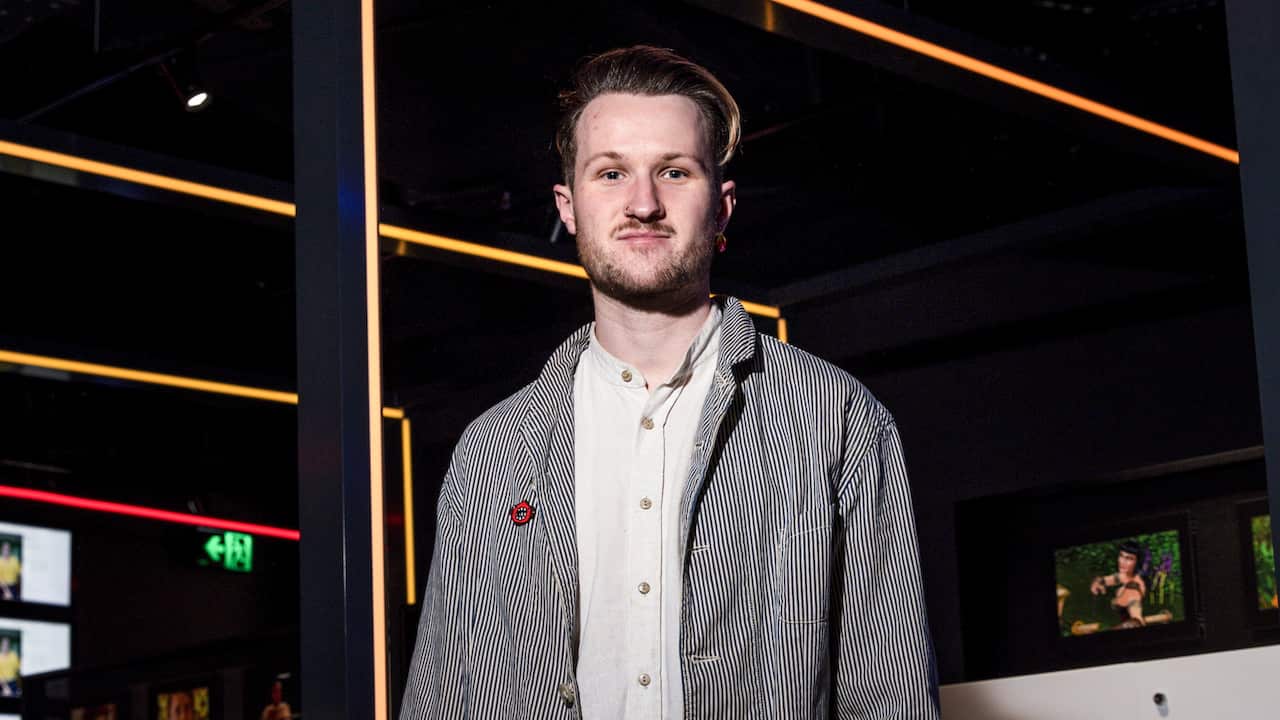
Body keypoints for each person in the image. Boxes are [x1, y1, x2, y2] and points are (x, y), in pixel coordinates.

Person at [401, 46, 939, 719]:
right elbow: (439, 701)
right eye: (612, 173)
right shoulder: (491, 453)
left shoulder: (838, 419)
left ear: (722, 206)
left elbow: (891, 702)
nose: (644, 203)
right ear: (569, 207)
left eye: (675, 172)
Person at [1089, 540, 1148, 629]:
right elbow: (1106, 580)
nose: (1122, 562)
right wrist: (1098, 582)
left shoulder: (1133, 589)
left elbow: (1136, 621)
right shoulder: (1124, 576)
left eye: (1129, 558)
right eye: (1121, 556)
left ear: (1137, 563)